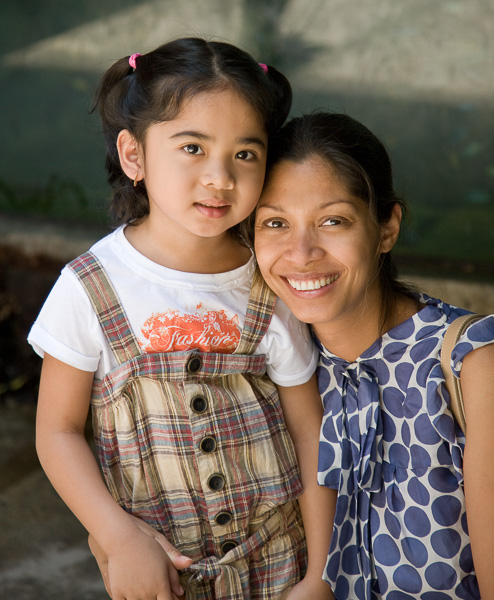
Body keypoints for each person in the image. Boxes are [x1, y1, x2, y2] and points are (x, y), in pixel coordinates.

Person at [28, 39, 334, 600]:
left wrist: (320, 573)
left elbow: (309, 435)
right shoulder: (91, 286)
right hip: (157, 571)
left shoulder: (272, 283)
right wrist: (118, 537)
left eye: (245, 153)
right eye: (192, 147)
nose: (219, 178)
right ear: (134, 155)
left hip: (279, 561)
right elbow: (57, 431)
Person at [254, 111, 494, 600]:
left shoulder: (470, 364)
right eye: (275, 223)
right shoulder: (277, 368)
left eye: (333, 221)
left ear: (386, 227)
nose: (300, 253)